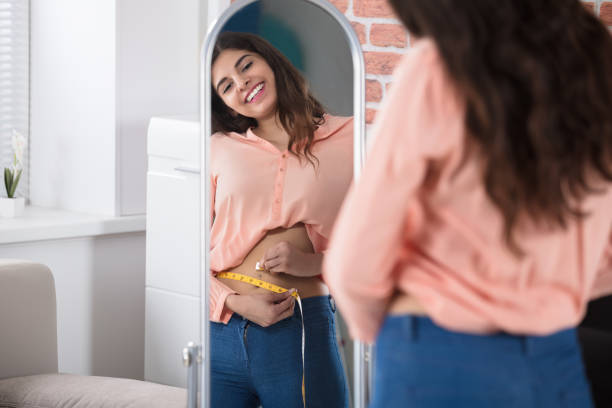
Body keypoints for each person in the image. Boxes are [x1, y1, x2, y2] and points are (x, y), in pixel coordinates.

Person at [323, 1, 612, 407]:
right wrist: (546, 289)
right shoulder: (599, 64)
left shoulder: (437, 70)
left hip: (434, 355)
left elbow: (354, 262)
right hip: (553, 363)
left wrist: (388, 333)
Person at [209, 31, 351, 408]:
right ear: (225, 103)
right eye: (226, 86)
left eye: (246, 66)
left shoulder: (350, 139)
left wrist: (312, 263)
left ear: (270, 60)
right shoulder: (218, 148)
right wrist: (234, 303)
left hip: (301, 328)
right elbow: (184, 251)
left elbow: (380, 245)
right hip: (219, 332)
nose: (242, 84)